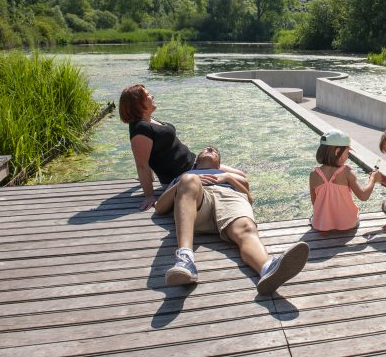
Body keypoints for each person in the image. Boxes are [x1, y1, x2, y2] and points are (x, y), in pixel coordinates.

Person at [119, 84, 309, 295]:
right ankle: (185, 260)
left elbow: (247, 192)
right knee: (190, 180)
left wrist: (226, 178)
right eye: (146, 95)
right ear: (137, 103)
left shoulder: (150, 122)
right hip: (191, 185)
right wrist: (149, 194)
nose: (152, 96)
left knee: (245, 227)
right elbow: (142, 165)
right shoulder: (140, 131)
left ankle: (266, 267)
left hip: (219, 190)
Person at [309, 129, 380, 231]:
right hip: (348, 224)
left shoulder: (313, 175)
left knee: (312, 218)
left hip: (321, 226)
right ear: (338, 151)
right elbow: (363, 196)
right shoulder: (346, 171)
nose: (348, 156)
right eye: (347, 152)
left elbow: (315, 203)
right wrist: (373, 179)